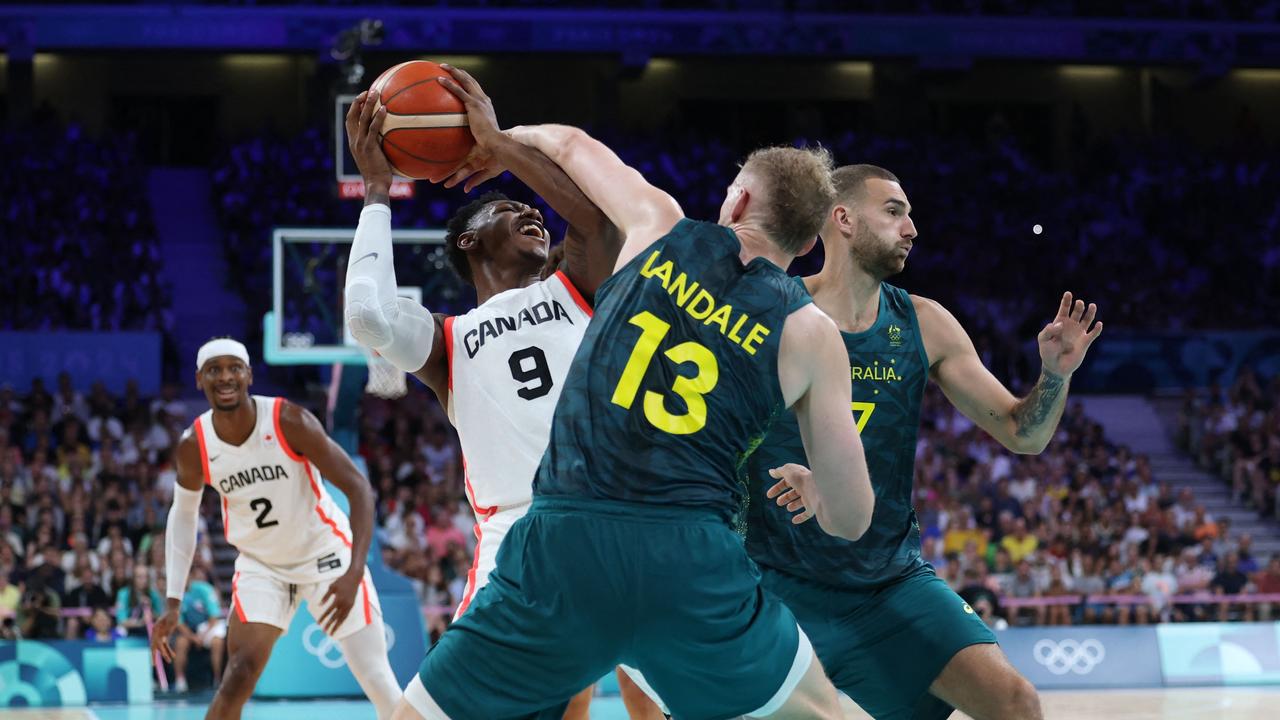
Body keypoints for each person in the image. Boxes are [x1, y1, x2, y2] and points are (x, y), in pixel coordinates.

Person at [393, 107, 875, 718]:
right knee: (824, 708)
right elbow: (852, 518)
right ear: (809, 244)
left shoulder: (658, 225)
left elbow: (569, 141)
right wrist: (817, 489)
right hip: (691, 556)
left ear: (737, 200)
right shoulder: (813, 333)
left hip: (567, 538)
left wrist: (497, 141)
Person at [743, 165, 1102, 720]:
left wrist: (1055, 375)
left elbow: (1021, 433)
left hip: (886, 582)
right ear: (842, 218)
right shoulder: (768, 308)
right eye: (894, 211)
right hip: (770, 585)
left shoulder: (923, 323)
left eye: (909, 214)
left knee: (1015, 703)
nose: (911, 227)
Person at [342, 68, 636, 718]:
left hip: (619, 515)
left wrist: (499, 145)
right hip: (520, 532)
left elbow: (595, 222)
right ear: (470, 240)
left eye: (530, 208)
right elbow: (366, 317)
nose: (532, 211)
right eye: (510, 210)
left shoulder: (575, 286)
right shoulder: (449, 341)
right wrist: (378, 193)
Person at [150, 338, 401, 719]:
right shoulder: (193, 445)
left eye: (234, 367)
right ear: (199, 380)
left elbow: (358, 488)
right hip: (262, 565)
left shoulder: (288, 420)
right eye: (214, 370)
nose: (225, 376)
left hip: (326, 555)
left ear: (249, 375)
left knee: (377, 680)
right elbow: (183, 517)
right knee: (238, 676)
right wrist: (172, 601)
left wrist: (353, 571)